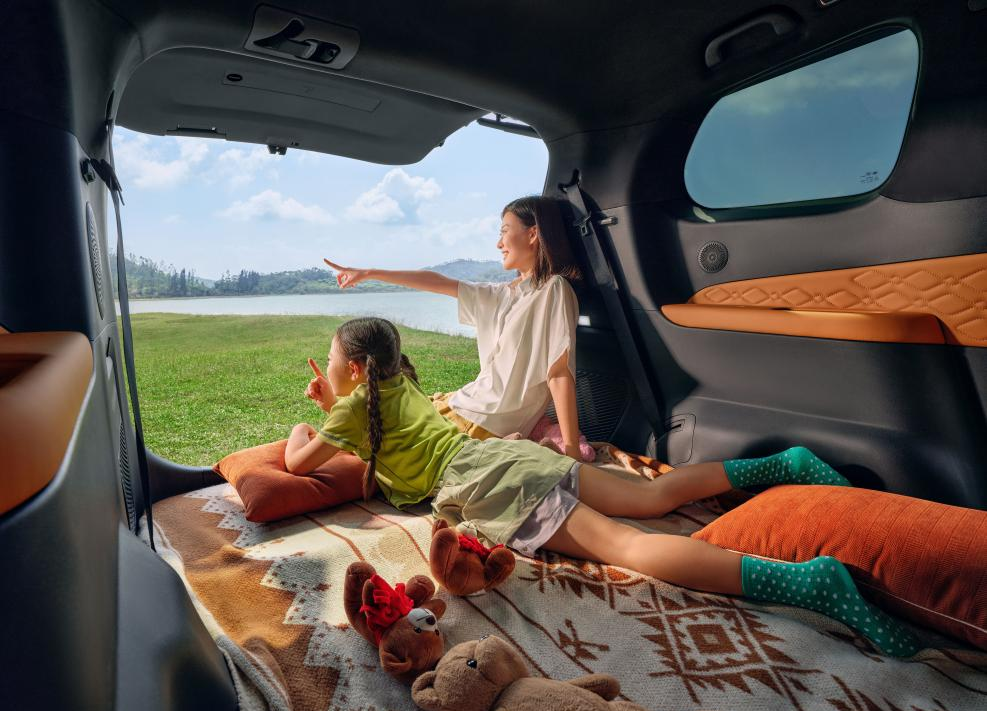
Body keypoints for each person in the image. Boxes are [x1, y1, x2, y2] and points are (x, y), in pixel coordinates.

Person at [285, 317, 919, 658]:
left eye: (333, 362)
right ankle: (781, 464)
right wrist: (336, 400)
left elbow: (296, 461)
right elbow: (373, 429)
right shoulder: (400, 385)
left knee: (629, 547)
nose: (329, 371)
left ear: (357, 369)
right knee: (651, 498)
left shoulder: (353, 407)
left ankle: (810, 584)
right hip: (507, 456)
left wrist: (311, 413)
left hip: (486, 483)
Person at [323, 195, 588, 460]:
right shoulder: (502, 294)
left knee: (382, 451)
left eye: (504, 231)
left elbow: (559, 374)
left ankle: (338, 419)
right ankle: (339, 414)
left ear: (533, 234)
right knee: (377, 434)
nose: (499, 244)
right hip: (463, 404)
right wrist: (370, 273)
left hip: (483, 422)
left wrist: (571, 449)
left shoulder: (553, 289)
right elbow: (439, 282)